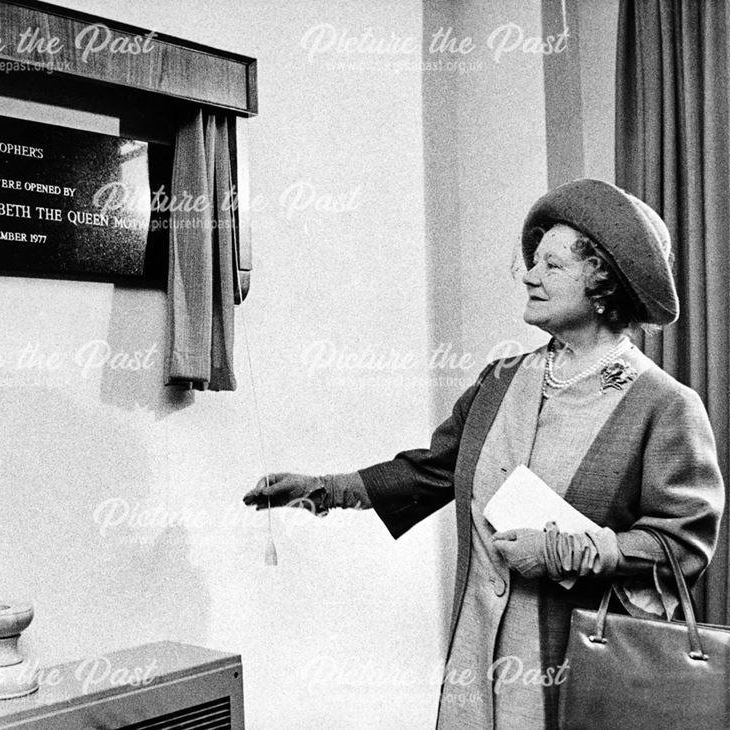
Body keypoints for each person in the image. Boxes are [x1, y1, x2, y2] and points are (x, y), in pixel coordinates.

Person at [243, 178, 725, 729]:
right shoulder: (500, 381)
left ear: (603, 285)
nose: (529, 275)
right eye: (531, 262)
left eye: (552, 266)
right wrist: (320, 489)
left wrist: (570, 552)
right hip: (476, 671)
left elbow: (683, 543)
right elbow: (432, 471)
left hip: (577, 684)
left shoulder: (664, 405)